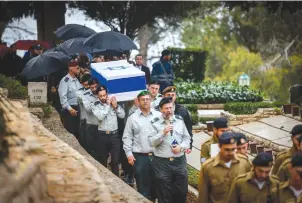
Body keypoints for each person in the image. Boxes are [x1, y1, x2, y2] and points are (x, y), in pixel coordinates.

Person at [148, 97, 191, 203]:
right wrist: (163, 132)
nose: (169, 110)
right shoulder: (154, 122)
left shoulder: (179, 120)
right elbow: (151, 142)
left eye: (171, 107)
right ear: (161, 110)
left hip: (179, 161)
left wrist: (181, 147)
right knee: (164, 193)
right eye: (166, 108)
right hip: (162, 163)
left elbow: (187, 138)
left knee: (181, 192)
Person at [122, 90, 161, 200]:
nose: (145, 101)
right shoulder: (132, 118)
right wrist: (129, 154)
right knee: (143, 187)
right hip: (139, 157)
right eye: (142, 99)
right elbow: (127, 137)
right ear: (138, 101)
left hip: (157, 156)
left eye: (147, 99)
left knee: (157, 186)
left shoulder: (159, 116)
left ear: (151, 100)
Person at [197, 132, 252, 203]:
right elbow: (203, 196)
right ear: (219, 146)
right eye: (227, 149)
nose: (231, 153)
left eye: (233, 149)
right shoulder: (208, 167)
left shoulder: (245, 163)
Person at [92, 85, 125, 176]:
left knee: (115, 161)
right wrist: (108, 105)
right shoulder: (95, 105)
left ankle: (117, 181)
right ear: (97, 96)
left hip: (114, 135)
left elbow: (122, 115)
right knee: (102, 160)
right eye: (101, 96)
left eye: (104, 95)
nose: (103, 97)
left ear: (107, 94)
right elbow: (100, 116)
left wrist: (116, 106)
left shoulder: (113, 102)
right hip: (102, 135)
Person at [160, 86, 193, 153]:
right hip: (162, 148)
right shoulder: (157, 110)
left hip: (179, 146)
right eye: (168, 95)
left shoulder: (182, 110)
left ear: (176, 96)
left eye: (173, 95)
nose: (171, 97)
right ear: (163, 96)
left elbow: (188, 128)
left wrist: (190, 145)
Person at [58, 60, 81, 138]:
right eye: (77, 68)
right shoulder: (65, 81)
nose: (79, 69)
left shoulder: (77, 80)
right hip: (69, 110)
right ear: (71, 68)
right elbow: (63, 97)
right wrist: (70, 109)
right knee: (71, 132)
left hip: (77, 107)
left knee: (78, 132)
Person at [82, 79, 99, 156]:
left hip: (102, 125)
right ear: (89, 87)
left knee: (102, 148)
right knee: (92, 148)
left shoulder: (102, 92)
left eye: (96, 87)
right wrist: (97, 100)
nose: (94, 89)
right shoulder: (85, 95)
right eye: (92, 87)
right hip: (91, 124)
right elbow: (88, 109)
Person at [76, 73, 91, 147]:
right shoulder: (80, 92)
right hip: (84, 120)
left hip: (95, 122)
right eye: (85, 85)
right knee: (84, 143)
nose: (88, 87)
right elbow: (81, 99)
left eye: (89, 85)